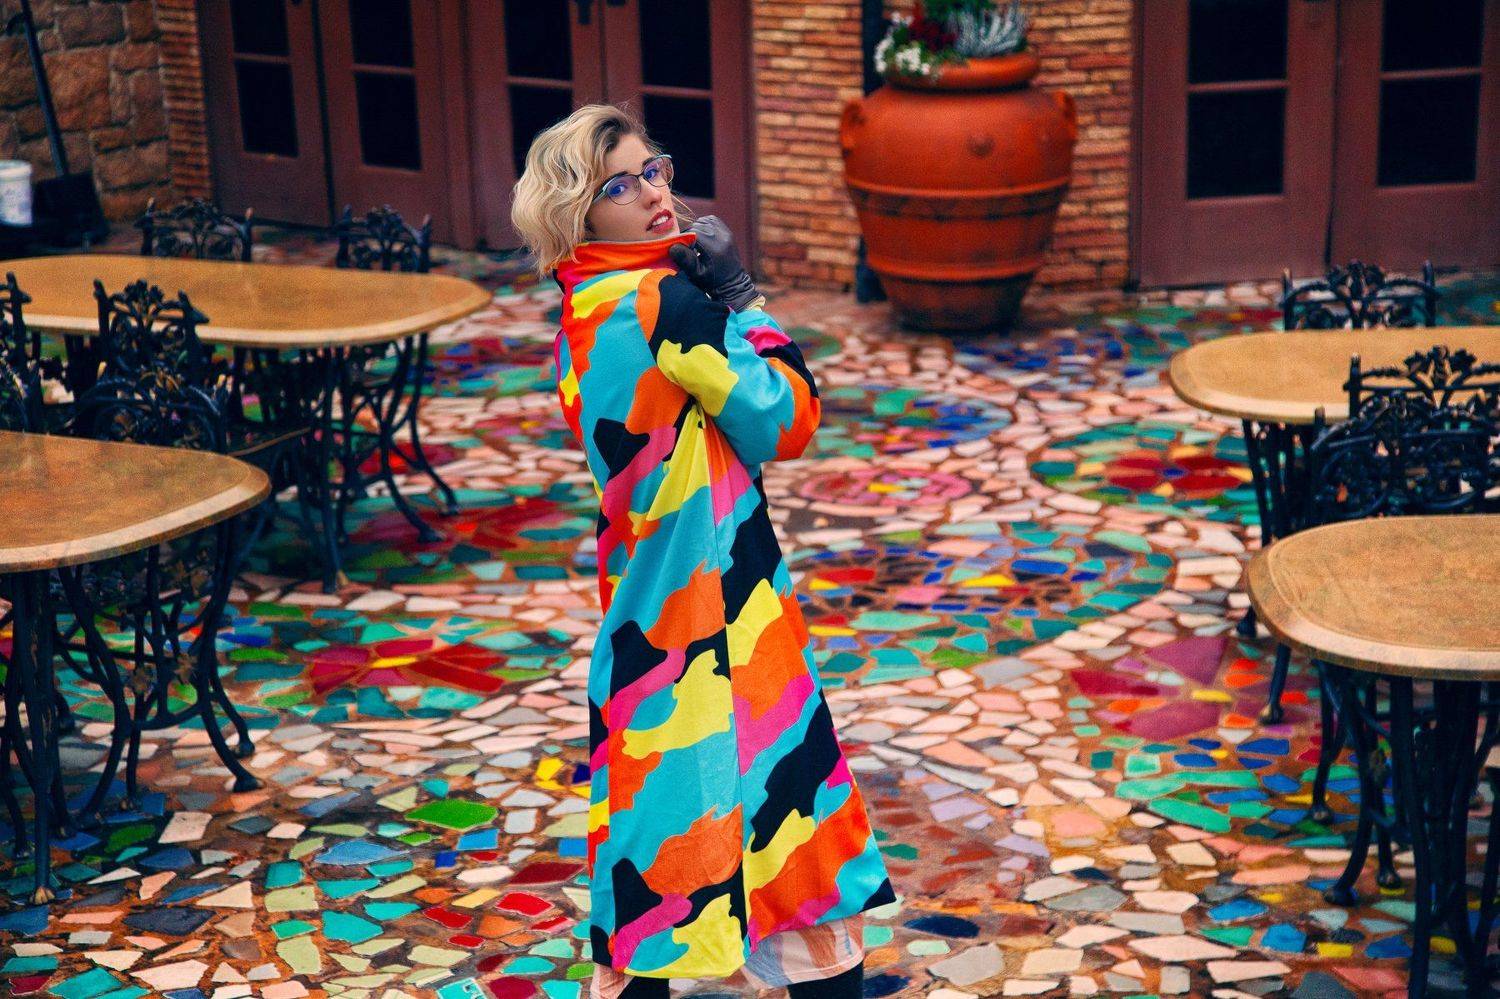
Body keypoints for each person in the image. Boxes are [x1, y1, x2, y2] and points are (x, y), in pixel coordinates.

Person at [510, 104, 897, 998]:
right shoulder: (668, 304)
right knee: (796, 852)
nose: (654, 192)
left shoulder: (583, 310)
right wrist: (742, 299)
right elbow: (786, 416)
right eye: (621, 184)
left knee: (654, 879)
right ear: (579, 214)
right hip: (726, 624)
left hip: (644, 624)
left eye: (655, 169)